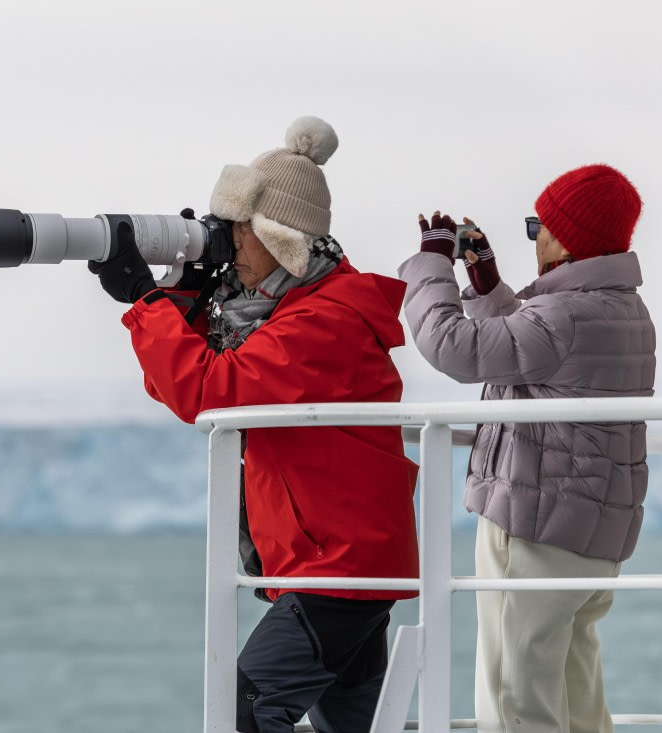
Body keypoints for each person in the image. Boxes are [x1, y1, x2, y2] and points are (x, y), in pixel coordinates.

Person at [89, 116, 420, 733]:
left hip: (340, 566)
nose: (232, 244)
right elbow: (187, 385)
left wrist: (145, 299)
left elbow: (210, 391)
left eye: (242, 231)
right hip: (340, 565)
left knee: (245, 708)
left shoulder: (326, 322)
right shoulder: (302, 309)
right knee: (351, 725)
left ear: (282, 239)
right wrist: (181, 296)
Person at [397, 164, 656, 733]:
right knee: (574, 684)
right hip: (592, 532)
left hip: (538, 525)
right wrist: (487, 287)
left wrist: (432, 266)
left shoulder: (564, 316)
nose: (535, 237)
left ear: (570, 238)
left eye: (539, 225)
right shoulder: (623, 310)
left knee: (517, 693)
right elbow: (529, 351)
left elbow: (452, 347)